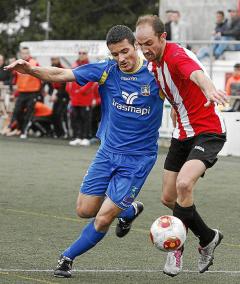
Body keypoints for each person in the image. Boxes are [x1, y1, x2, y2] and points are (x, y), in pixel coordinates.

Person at [5, 25, 164, 278]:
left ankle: (67, 257)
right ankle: (129, 210)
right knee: (84, 210)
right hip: (107, 153)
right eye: (115, 54)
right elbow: (60, 74)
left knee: (102, 219)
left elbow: (183, 95)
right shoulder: (106, 71)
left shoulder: (157, 76)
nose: (121, 58)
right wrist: (32, 70)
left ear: (135, 46)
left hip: (138, 161)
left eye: (125, 51)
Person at [135, 15, 228, 277]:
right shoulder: (153, 65)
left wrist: (209, 89)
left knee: (184, 185)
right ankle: (208, 237)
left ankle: (177, 249)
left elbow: (196, 74)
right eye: (140, 44)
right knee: (169, 198)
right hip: (182, 133)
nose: (145, 49)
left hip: (208, 130)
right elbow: (174, 94)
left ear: (163, 37)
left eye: (149, 43)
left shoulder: (175, 55)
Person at [9, 47, 42, 139]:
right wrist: (14, 92)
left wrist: (40, 92)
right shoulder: (18, 64)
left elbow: (41, 77)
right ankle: (20, 129)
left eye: (26, 53)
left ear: (29, 54)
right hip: (21, 92)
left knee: (29, 113)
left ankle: (24, 131)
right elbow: (14, 79)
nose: (25, 55)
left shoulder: (34, 63)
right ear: (20, 54)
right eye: (23, 53)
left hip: (33, 92)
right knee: (17, 112)